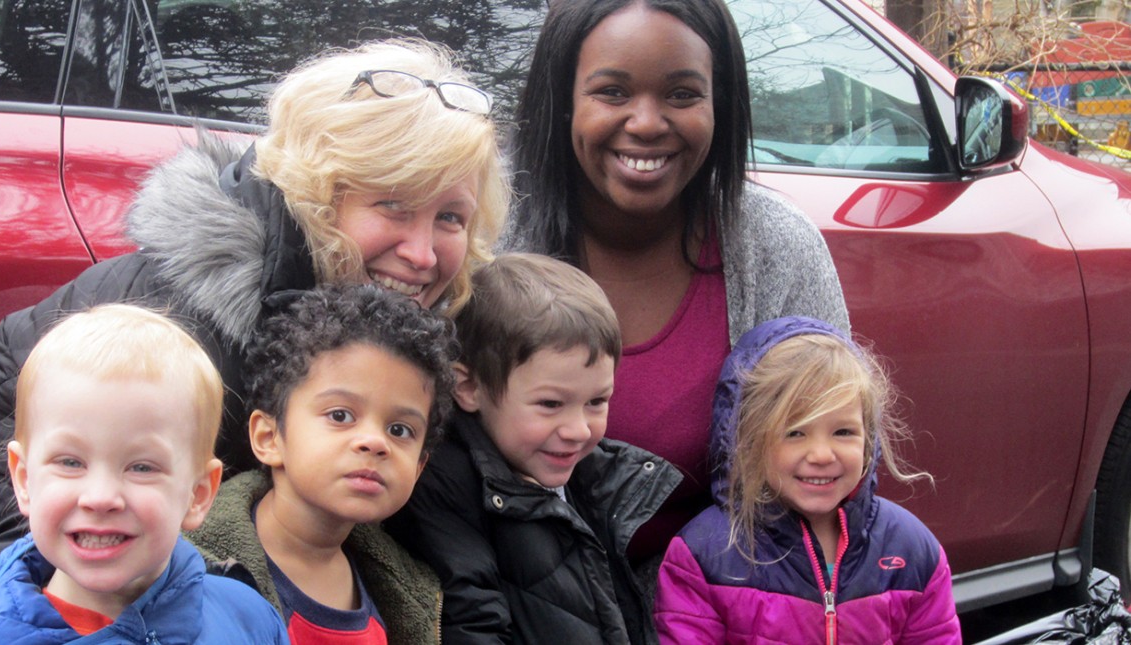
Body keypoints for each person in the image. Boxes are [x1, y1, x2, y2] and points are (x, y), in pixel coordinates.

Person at [0, 38, 508, 644]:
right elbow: (35, 574)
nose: (423, 253)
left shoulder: (362, 338)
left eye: (450, 216)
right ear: (317, 196)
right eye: (392, 204)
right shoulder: (187, 335)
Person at [507, 0, 850, 559]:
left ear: (723, 105)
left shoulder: (776, 246)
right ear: (563, 101)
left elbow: (834, 467)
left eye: (682, 94)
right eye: (612, 92)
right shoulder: (488, 230)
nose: (646, 123)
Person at [0, 304, 289, 643]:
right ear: (24, 479)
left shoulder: (248, 618)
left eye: (141, 467)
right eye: (70, 462)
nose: (100, 497)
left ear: (197, 495)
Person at [386, 253, 682, 644]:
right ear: (469, 388)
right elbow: (470, 624)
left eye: (597, 401)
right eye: (550, 405)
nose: (578, 430)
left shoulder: (586, 480)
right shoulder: (443, 488)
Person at [654, 316, 960, 643]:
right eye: (795, 432)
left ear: (868, 440)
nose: (821, 454)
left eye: (843, 432)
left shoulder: (912, 549)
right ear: (748, 443)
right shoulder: (705, 552)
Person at [187, 284, 458, 644]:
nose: (375, 442)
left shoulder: (405, 595)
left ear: (419, 466)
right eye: (341, 415)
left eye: (400, 429)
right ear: (269, 438)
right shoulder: (194, 572)